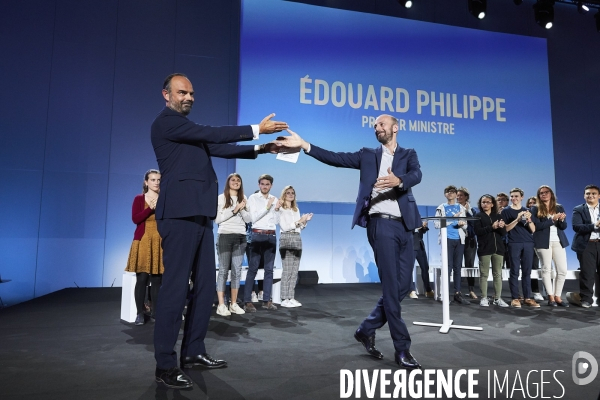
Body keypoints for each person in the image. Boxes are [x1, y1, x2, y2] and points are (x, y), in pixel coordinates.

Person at [151, 73, 288, 389]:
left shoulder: (187, 131)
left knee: (204, 289)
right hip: (178, 216)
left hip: (200, 216)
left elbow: (219, 147)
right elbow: (212, 133)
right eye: (182, 92)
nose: (189, 97)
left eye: (192, 93)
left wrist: (261, 148)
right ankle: (165, 364)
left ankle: (194, 351)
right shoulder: (166, 123)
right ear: (166, 95)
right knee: (174, 290)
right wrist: (256, 128)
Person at [280, 114, 423, 370]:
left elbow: (417, 174)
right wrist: (305, 145)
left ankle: (366, 329)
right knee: (392, 289)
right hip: (381, 225)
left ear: (395, 127)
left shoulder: (408, 154)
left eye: (381, 124)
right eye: (375, 126)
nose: (377, 128)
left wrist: (399, 180)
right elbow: (335, 158)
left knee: (403, 287)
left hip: (407, 226)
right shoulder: (367, 155)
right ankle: (402, 349)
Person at [125, 169, 164, 325]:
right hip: (143, 239)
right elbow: (135, 219)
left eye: (158, 180)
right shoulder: (139, 198)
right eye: (153, 179)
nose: (156, 182)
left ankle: (155, 312)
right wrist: (150, 209)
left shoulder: (164, 199)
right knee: (142, 278)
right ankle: (140, 313)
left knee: (157, 279)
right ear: (146, 182)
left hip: (160, 240)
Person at [215, 173, 252, 317]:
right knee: (224, 270)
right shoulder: (221, 197)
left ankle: (234, 303)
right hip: (225, 235)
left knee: (237, 270)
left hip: (240, 236)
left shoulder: (245, 198)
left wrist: (242, 208)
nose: (236, 182)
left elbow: (249, 219)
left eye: (238, 180)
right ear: (228, 182)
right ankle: (221, 305)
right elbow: (217, 219)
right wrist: (234, 209)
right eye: (233, 180)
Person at [244, 174, 279, 312]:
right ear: (259, 185)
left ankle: (266, 300)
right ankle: (247, 301)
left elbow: (276, 221)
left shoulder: (274, 199)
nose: (265, 186)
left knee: (269, 270)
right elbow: (252, 217)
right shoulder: (253, 198)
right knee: (253, 268)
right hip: (257, 234)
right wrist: (267, 207)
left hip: (271, 235)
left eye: (267, 184)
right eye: (262, 184)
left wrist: (275, 209)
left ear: (271, 186)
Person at [530, 186, 569, 307]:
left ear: (551, 194)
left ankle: (558, 296)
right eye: (541, 193)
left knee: (562, 270)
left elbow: (563, 227)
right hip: (542, 242)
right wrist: (552, 220)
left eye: (546, 192)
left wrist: (561, 220)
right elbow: (536, 227)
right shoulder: (534, 208)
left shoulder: (559, 207)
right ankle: (550, 297)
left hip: (558, 241)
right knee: (546, 269)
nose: (544, 194)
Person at [501, 188, 540, 308]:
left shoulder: (528, 210)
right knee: (514, 271)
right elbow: (506, 229)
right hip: (514, 243)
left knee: (527, 271)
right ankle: (515, 298)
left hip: (528, 242)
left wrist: (528, 220)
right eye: (512, 196)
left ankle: (527, 297)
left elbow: (533, 230)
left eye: (516, 196)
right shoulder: (506, 211)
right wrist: (517, 219)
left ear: (522, 197)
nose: (514, 198)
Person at [275, 186, 313, 307]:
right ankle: (284, 298)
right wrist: (299, 222)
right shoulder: (280, 209)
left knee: (294, 270)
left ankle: (291, 296)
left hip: (297, 238)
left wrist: (305, 221)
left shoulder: (296, 209)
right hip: (286, 238)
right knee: (287, 270)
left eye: (292, 193)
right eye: (288, 193)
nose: (291, 195)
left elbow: (300, 227)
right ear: (284, 195)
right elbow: (285, 227)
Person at [435, 185, 470, 305]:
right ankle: (444, 294)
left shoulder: (461, 208)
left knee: (457, 268)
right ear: (445, 194)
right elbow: (437, 224)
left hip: (459, 240)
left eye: (452, 192)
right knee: (447, 267)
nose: (450, 193)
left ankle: (457, 294)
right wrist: (451, 218)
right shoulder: (441, 207)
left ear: (456, 195)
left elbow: (466, 225)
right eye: (447, 192)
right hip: (447, 240)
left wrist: (461, 224)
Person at [473, 195, 509, 307]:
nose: (485, 204)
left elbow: (503, 233)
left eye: (488, 202)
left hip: (498, 249)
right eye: (483, 202)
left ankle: (497, 298)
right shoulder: (478, 216)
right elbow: (477, 232)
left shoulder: (498, 216)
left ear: (492, 204)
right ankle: (484, 298)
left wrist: (502, 226)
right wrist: (491, 227)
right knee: (484, 274)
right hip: (484, 249)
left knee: (497, 274)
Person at [571, 184, 600, 308]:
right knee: (587, 273)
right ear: (584, 196)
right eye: (588, 193)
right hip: (586, 245)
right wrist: (594, 226)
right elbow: (576, 226)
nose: (590, 195)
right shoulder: (578, 209)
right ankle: (587, 299)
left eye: (593, 193)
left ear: (599, 196)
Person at [457, 187, 478, 300]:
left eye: (461, 195)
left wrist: (466, 212)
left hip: (470, 240)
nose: (459, 197)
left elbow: (474, 225)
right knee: (458, 264)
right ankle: (458, 290)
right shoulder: (454, 209)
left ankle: (471, 290)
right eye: (458, 195)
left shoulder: (473, 210)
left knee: (470, 264)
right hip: (458, 240)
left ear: (466, 197)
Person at [407, 220, 434, 299]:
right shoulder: (407, 216)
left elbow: (422, 231)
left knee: (425, 267)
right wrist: (416, 227)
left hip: (420, 246)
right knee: (409, 269)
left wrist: (424, 227)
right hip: (410, 246)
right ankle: (411, 290)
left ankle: (428, 290)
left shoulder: (417, 217)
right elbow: (405, 230)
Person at [526, 196, 544, 302]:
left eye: (534, 203)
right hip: (524, 243)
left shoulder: (540, 216)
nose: (532, 205)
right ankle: (522, 293)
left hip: (535, 245)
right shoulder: (524, 215)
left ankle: (536, 292)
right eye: (530, 203)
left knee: (534, 268)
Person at [496, 192, 511, 270]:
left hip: (510, 242)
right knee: (499, 266)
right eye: (498, 200)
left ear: (507, 202)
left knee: (511, 266)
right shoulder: (492, 213)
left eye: (503, 200)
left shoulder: (511, 211)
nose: (500, 201)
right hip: (498, 242)